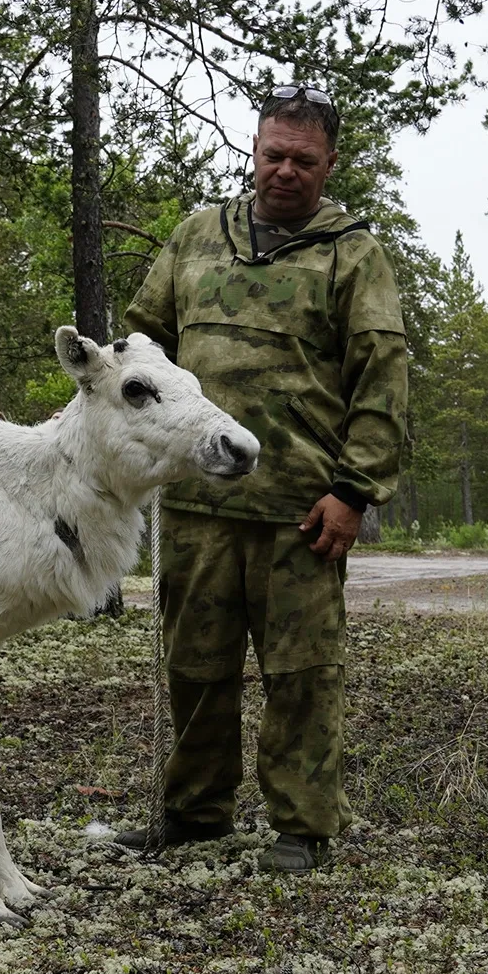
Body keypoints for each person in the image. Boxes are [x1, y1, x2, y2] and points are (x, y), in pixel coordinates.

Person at [115, 85, 408, 872]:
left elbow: (382, 382)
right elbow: (142, 346)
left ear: (330, 163)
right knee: (195, 665)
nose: (284, 172)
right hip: (197, 503)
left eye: (303, 161)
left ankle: (303, 827)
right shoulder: (195, 237)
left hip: (301, 511)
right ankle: (195, 813)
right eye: (272, 154)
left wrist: (353, 492)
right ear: (254, 150)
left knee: (302, 674)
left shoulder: (354, 253)